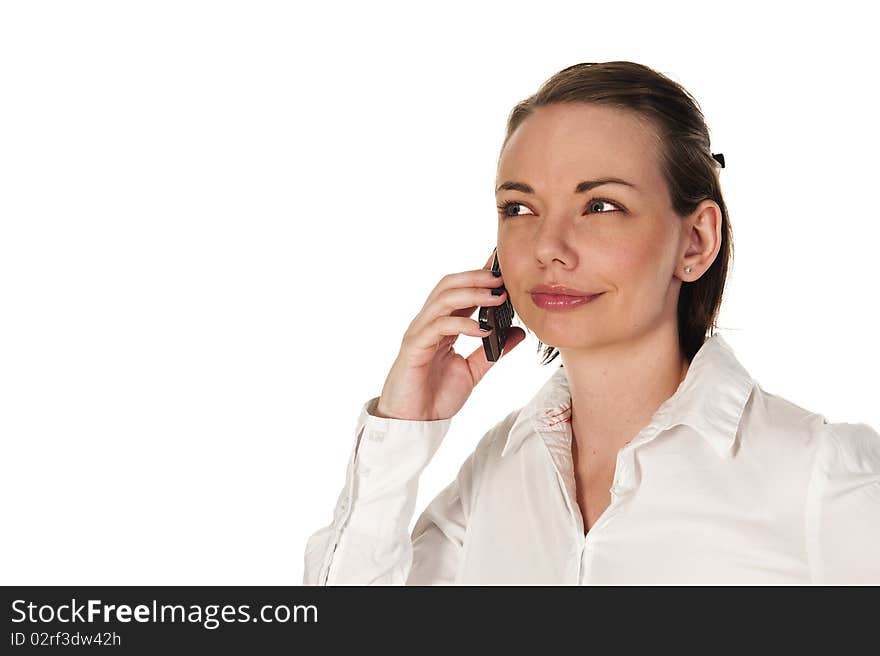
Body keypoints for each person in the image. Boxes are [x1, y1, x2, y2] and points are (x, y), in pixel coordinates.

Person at [302, 61, 880, 585]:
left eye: (601, 205)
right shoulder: (496, 475)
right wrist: (403, 428)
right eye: (519, 209)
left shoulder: (817, 475)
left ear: (696, 240)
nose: (549, 247)